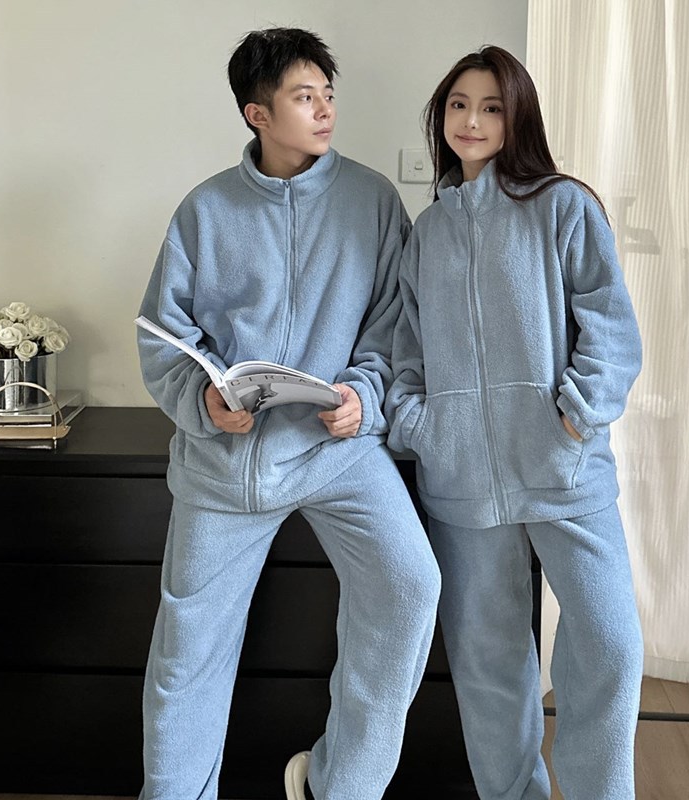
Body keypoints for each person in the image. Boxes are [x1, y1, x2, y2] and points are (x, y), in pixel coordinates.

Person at [136, 27, 440, 800]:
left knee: (410, 584)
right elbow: (164, 337)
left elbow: (394, 325)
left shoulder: (373, 200)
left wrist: (363, 397)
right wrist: (205, 401)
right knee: (187, 654)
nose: (325, 110)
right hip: (224, 463)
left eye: (328, 95)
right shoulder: (205, 210)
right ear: (258, 114)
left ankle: (341, 784)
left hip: (337, 451)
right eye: (305, 97)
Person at [386, 46, 644, 799]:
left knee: (610, 645)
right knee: (489, 664)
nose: (472, 120)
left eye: (491, 107)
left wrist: (577, 417)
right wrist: (422, 425)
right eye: (459, 105)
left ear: (517, 117)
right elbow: (407, 352)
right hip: (461, 483)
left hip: (563, 469)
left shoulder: (563, 206)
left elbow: (612, 330)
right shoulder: (428, 232)